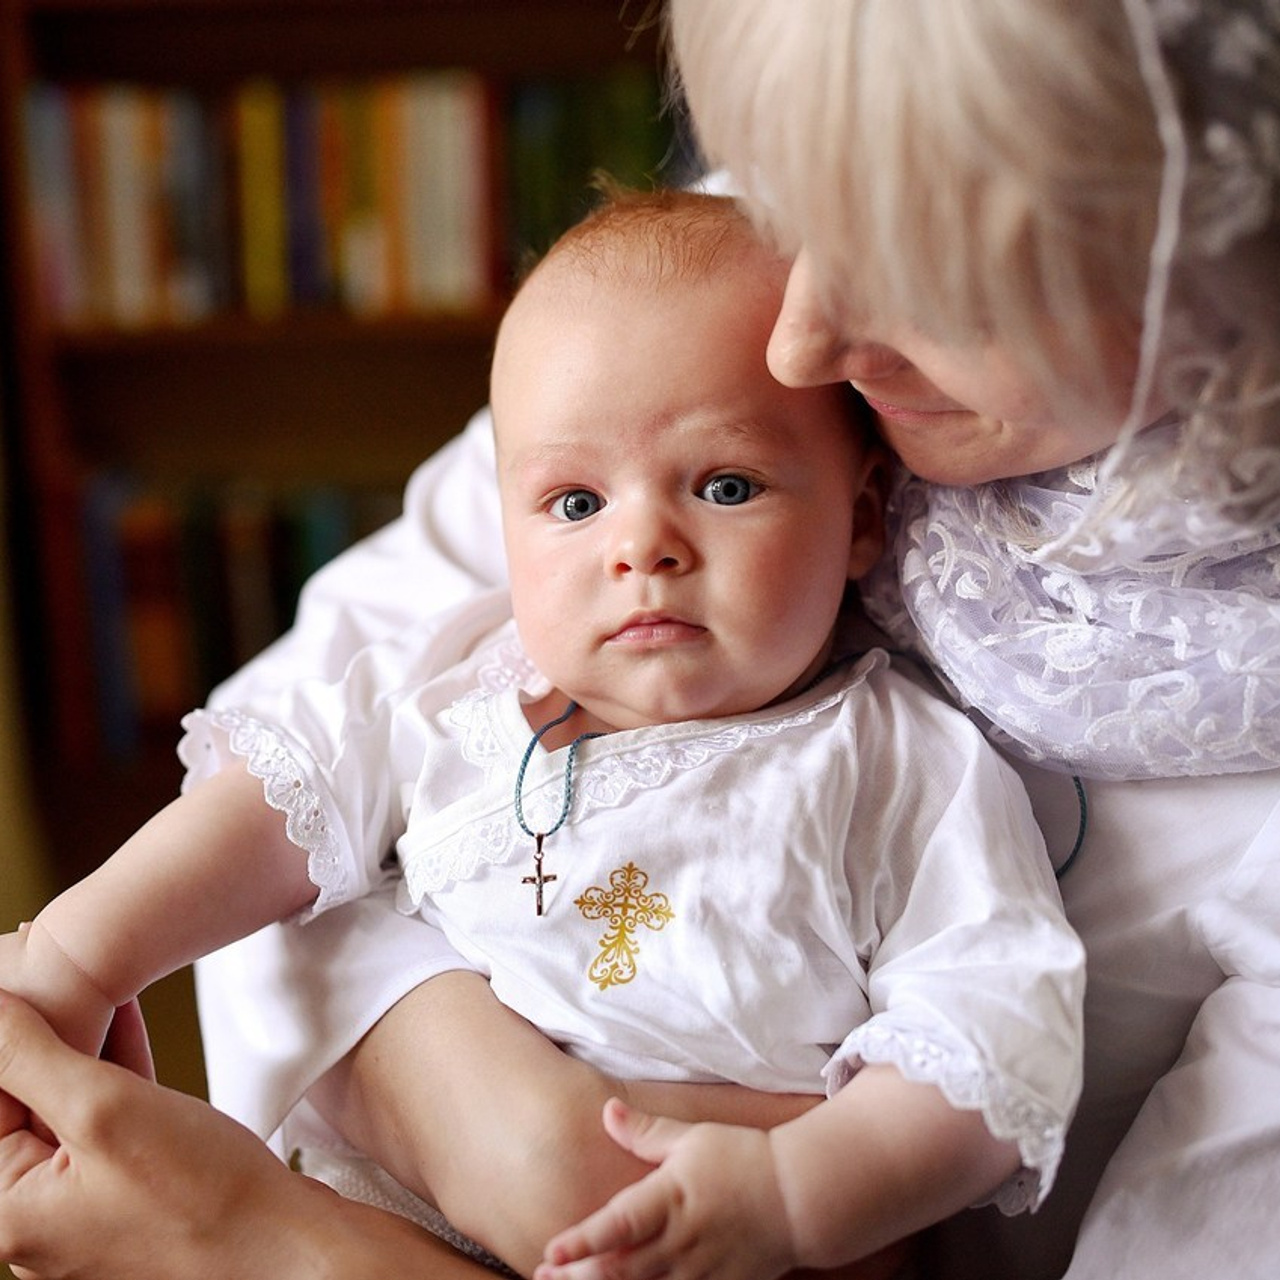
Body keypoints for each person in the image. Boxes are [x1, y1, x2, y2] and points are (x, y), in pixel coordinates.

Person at [1, 1, 1277, 1277]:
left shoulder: (897, 764)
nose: (798, 342)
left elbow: (991, 1023)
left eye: (934, 269)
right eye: (800, 211)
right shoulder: (536, 577)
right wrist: (65, 958)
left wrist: (275, 1247)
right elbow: (283, 785)